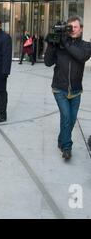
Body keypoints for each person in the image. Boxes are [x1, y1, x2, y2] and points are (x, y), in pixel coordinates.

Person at [44, 16, 91, 160]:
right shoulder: (60, 44)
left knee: (71, 120)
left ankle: (61, 140)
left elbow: (81, 56)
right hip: (59, 88)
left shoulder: (86, 46)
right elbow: (47, 62)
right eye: (69, 27)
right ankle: (67, 147)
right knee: (66, 117)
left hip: (76, 90)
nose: (72, 30)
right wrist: (52, 44)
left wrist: (65, 42)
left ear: (81, 29)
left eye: (75, 27)